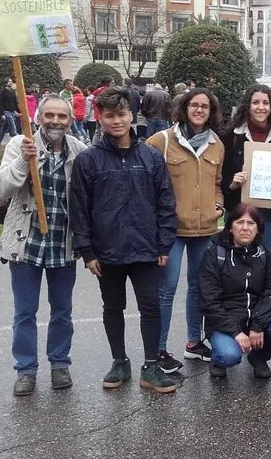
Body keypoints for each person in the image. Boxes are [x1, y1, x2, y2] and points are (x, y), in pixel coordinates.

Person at [68, 87, 179, 393]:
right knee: (112, 307)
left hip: (146, 250)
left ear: (132, 116)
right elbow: (79, 209)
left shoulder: (151, 157)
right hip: (107, 251)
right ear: (99, 118)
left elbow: (165, 203)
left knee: (150, 307)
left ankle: (151, 366)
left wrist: (163, 244)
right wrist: (87, 250)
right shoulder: (88, 161)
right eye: (109, 115)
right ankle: (120, 361)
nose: (116, 121)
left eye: (121, 114)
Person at [0, 96, 88, 396]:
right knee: (25, 312)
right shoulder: (20, 144)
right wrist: (24, 159)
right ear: (38, 117)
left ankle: (59, 364)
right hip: (26, 244)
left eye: (62, 115)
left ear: (70, 120)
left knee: (62, 311)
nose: (55, 121)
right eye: (49, 115)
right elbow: (0, 188)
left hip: (63, 243)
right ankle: (26, 369)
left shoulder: (79, 151)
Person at [145, 88, 225, 372]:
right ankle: (159, 349)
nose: (199, 110)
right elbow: (146, 182)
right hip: (172, 230)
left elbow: (217, 183)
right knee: (166, 290)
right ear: (184, 107)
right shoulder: (162, 141)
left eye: (205, 106)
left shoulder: (216, 144)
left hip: (204, 228)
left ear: (211, 111)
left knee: (198, 288)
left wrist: (219, 204)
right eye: (194, 105)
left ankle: (193, 342)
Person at [199, 204, 271, 379]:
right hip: (224, 323)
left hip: (255, 318)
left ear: (258, 230)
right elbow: (209, 301)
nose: (245, 227)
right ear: (230, 227)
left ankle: (259, 358)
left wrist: (257, 326)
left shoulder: (264, 255)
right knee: (229, 355)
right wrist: (235, 332)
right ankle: (218, 359)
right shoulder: (214, 255)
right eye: (239, 222)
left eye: (251, 223)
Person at [221, 85, 271, 252]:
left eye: (266, 103)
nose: (261, 107)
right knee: (234, 264)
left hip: (268, 216)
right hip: (237, 214)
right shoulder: (231, 137)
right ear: (247, 105)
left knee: (264, 262)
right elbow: (219, 177)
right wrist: (231, 184)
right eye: (255, 102)